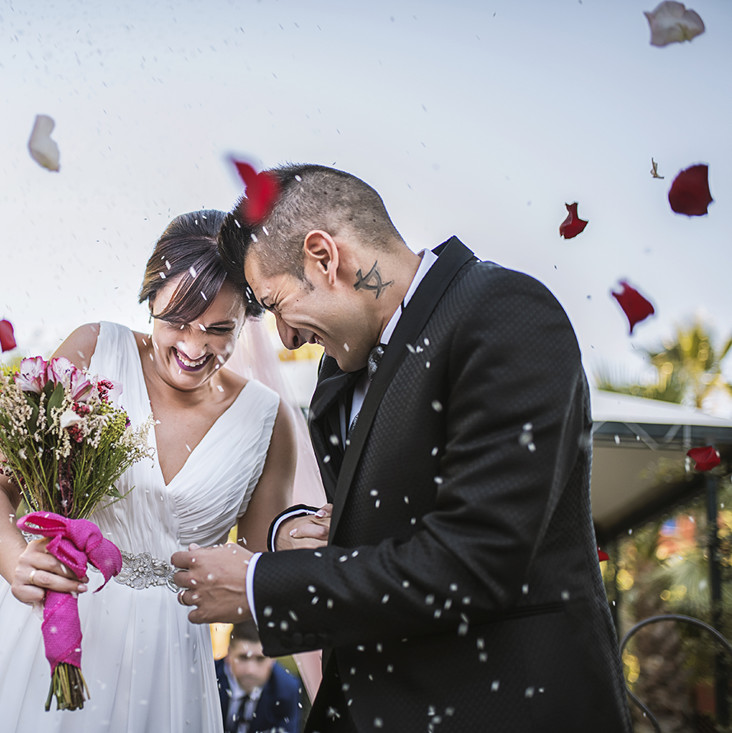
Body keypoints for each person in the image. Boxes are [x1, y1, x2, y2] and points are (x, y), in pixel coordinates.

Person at [172, 165, 632, 732]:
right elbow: (372, 529)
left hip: (496, 709)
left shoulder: (502, 313)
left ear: (323, 257)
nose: (283, 336)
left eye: (275, 303)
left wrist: (256, 585)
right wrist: (301, 528)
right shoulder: (337, 373)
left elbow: (473, 561)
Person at [0, 210, 297, 732]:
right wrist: (15, 563)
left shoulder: (267, 420)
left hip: (167, 663)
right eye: (176, 321)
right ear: (149, 301)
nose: (193, 347)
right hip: (49, 619)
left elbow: (252, 575)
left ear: (245, 323)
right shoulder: (95, 350)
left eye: (218, 330)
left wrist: (302, 547)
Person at [215, 621, 302, 733]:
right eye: (243, 657)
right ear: (229, 654)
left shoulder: (286, 689)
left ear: (272, 658)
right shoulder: (209, 680)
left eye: (260, 659)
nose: (250, 670)